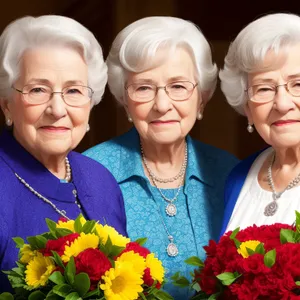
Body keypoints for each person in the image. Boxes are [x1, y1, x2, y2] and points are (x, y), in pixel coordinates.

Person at [84, 16, 238, 299]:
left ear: (201, 98)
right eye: (144, 88)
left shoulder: (231, 173)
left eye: (178, 86)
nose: (162, 105)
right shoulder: (91, 172)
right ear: (125, 100)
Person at [0, 15, 127, 292]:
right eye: (38, 90)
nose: (57, 110)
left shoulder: (101, 179)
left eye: (73, 90)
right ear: (7, 105)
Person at [219, 13, 300, 235]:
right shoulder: (239, 177)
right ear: (248, 108)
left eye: (298, 84)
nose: (282, 104)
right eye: (264, 88)